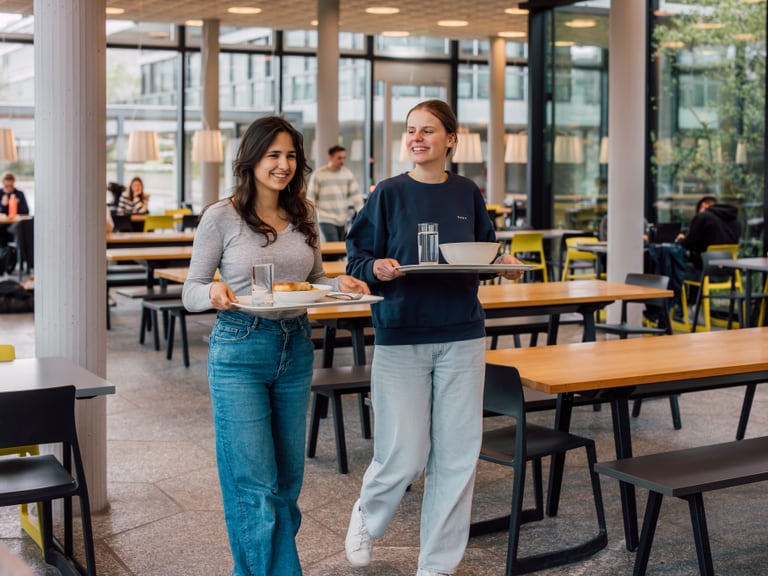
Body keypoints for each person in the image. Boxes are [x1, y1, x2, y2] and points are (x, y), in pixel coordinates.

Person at [181, 116, 369, 576]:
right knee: (255, 486)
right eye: (273, 155)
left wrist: (340, 284)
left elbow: (315, 280)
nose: (283, 165)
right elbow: (190, 290)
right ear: (251, 159)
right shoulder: (221, 217)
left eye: (290, 156)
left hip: (296, 345)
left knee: (286, 483)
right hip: (240, 349)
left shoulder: (305, 214)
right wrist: (212, 292)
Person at [344, 99, 523, 576]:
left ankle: (437, 565)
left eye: (427, 130)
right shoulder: (388, 193)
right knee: (404, 454)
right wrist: (376, 268)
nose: (417, 138)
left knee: (458, 455)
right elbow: (357, 258)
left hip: (462, 332)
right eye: (411, 130)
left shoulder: (467, 192)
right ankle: (368, 513)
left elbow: (483, 253)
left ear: (451, 140)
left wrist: (502, 265)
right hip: (401, 332)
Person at [305, 144, 363, 242]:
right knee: (334, 243)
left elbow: (356, 196)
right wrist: (309, 219)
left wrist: (362, 213)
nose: (342, 161)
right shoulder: (319, 175)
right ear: (330, 157)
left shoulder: (348, 174)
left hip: (342, 219)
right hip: (325, 218)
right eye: (339, 158)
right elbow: (311, 198)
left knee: (341, 246)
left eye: (344, 158)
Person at [676, 195, 741, 273]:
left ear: (703, 205)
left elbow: (689, 243)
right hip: (729, 268)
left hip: (704, 268)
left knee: (674, 259)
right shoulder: (734, 219)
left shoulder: (703, 216)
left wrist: (680, 239)